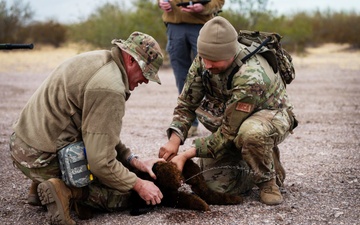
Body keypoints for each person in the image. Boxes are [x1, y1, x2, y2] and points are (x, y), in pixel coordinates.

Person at [9, 31, 165, 224]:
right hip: (39, 157)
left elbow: (98, 132)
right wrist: (138, 184)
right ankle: (63, 190)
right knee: (119, 194)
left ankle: (39, 185)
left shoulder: (101, 60)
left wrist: (132, 160)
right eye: (146, 72)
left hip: (24, 142)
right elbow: (101, 163)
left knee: (116, 169)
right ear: (131, 61)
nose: (146, 80)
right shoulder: (110, 89)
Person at [158, 17, 298, 205]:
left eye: (214, 61)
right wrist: (174, 139)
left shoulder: (250, 75)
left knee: (251, 134)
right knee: (215, 185)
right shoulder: (204, 60)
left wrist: (186, 154)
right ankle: (249, 156)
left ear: (230, 54)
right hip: (233, 117)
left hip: (269, 115)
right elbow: (187, 103)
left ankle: (268, 179)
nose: (207, 65)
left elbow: (228, 132)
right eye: (204, 58)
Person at [158, 0, 225, 137]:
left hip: (201, 27)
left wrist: (204, 7)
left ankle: (221, 122)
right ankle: (187, 124)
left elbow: (219, 1)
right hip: (174, 26)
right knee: (182, 76)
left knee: (212, 72)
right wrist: (161, 2)